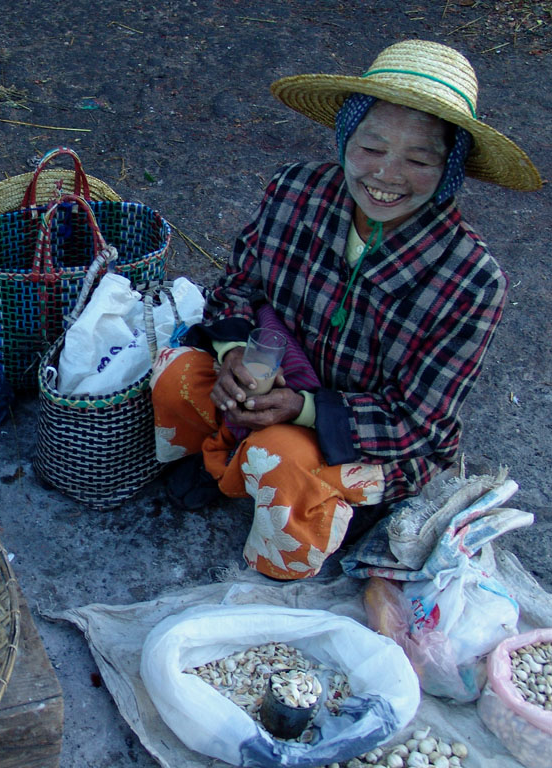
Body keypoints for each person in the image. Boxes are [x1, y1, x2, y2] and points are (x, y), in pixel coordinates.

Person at [152, 40, 541, 580]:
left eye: (419, 159)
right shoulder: (295, 191)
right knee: (174, 376)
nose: (386, 176)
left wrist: (301, 408)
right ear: (345, 137)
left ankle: (315, 526)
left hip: (375, 436)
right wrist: (234, 353)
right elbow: (238, 285)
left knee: (281, 457)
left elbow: (417, 422)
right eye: (371, 147)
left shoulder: (471, 280)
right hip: (276, 377)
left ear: (451, 168)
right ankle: (225, 464)